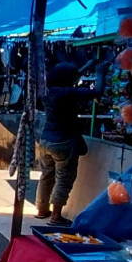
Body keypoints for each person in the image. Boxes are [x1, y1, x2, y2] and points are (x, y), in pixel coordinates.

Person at [35, 61, 108, 226]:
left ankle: (41, 210)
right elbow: (98, 91)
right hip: (64, 141)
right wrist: (100, 72)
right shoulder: (68, 93)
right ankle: (56, 216)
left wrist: (85, 66)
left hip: (46, 139)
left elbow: (69, 79)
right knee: (64, 178)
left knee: (47, 175)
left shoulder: (48, 92)